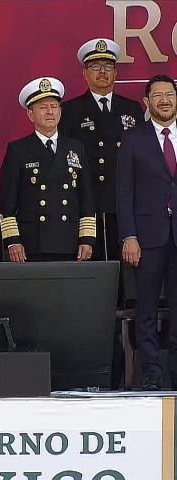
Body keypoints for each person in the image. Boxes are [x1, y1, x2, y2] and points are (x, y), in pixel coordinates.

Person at [117, 74, 177, 391]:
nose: (164, 100)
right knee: (147, 309)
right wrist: (129, 235)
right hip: (148, 237)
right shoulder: (134, 139)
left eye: (169, 94)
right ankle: (151, 370)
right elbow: (124, 191)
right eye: (157, 95)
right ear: (147, 102)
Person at [60, 38, 144, 261]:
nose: (102, 73)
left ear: (116, 73)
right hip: (88, 201)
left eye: (107, 67)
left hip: (125, 201)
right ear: (84, 74)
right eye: (95, 67)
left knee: (127, 271)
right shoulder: (70, 110)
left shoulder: (132, 108)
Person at [0, 77, 96, 262]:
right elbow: (7, 202)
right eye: (43, 107)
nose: (50, 112)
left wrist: (87, 238)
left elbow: (87, 198)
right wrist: (12, 240)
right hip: (32, 243)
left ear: (60, 112)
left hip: (70, 242)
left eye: (54, 106)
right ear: (30, 114)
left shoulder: (76, 148)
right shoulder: (18, 149)